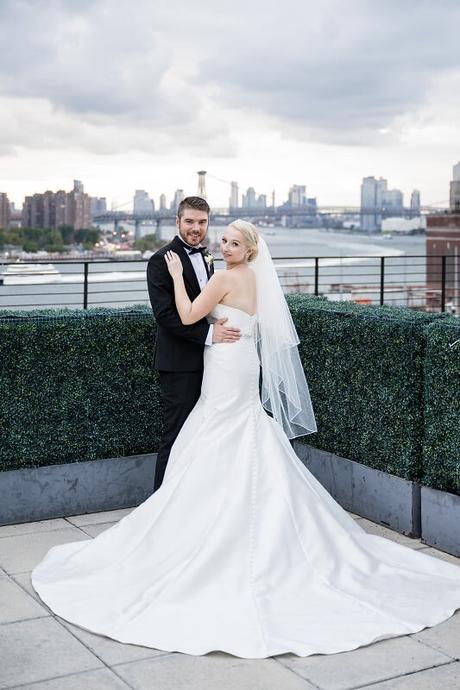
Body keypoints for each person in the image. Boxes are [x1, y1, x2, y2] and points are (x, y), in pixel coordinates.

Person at [31, 221, 460, 659]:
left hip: (224, 364)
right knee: (242, 428)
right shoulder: (255, 278)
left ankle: (202, 520)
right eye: (225, 240)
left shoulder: (221, 275)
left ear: (248, 249)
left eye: (233, 243)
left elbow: (187, 316)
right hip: (243, 363)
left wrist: (179, 279)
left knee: (214, 430)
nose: (224, 245)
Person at [146, 196, 241, 491]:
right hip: (180, 364)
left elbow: (207, 306)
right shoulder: (160, 261)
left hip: (215, 364)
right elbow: (166, 317)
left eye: (201, 222)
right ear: (177, 222)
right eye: (189, 222)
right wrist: (210, 335)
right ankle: (159, 505)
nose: (196, 228)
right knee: (176, 436)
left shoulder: (209, 257)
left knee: (204, 436)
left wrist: (218, 325)